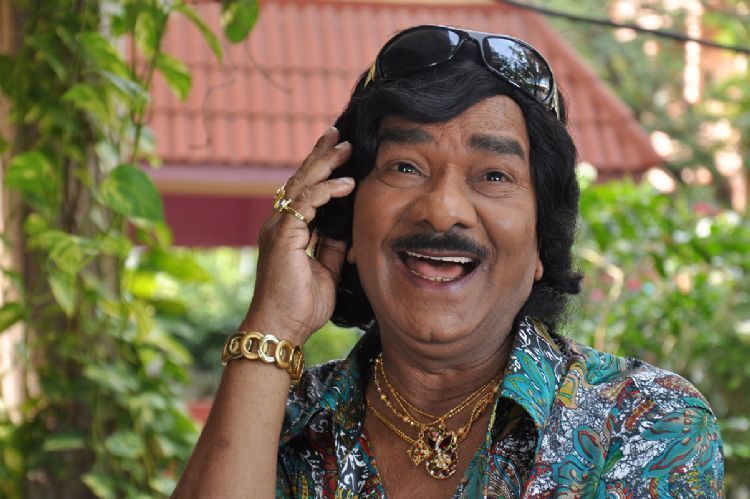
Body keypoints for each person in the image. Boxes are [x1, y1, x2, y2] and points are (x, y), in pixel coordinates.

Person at [174, 25, 723, 498]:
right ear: (347, 218)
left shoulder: (643, 420)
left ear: (541, 244)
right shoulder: (277, 416)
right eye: (405, 167)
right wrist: (273, 324)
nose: (442, 210)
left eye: (493, 175)